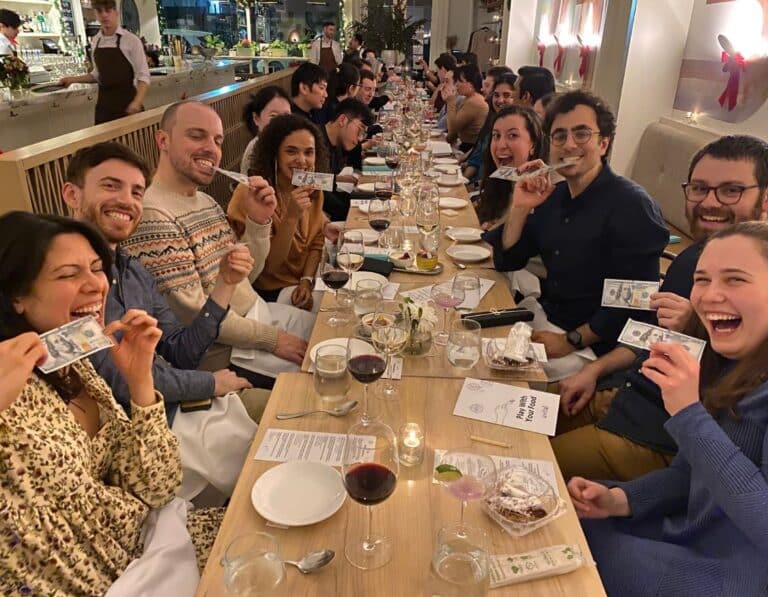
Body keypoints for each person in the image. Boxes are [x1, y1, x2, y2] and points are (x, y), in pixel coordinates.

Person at [0, 211, 220, 594]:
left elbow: (158, 487)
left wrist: (140, 381)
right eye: (68, 274)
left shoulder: (74, 364)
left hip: (146, 546)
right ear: (15, 296)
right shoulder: (8, 391)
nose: (96, 286)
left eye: (98, 268)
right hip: (99, 582)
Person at [569, 220, 768, 597]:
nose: (710, 296)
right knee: (564, 519)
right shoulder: (732, 364)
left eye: (735, 280)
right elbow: (689, 475)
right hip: (684, 534)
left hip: (734, 576)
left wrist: (689, 414)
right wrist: (618, 500)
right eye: (703, 279)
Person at [552, 135, 768, 481]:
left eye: (730, 190)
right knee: (508, 414)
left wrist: (695, 329)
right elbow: (647, 333)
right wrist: (593, 372)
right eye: (699, 188)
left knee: (521, 460)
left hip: (661, 438)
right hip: (624, 393)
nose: (709, 203)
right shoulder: (697, 256)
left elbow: (734, 409)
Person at [62, 141, 262, 503]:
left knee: (292, 418)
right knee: (276, 451)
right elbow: (119, 383)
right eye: (111, 186)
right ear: (72, 195)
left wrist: (224, 287)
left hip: (183, 408)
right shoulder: (65, 284)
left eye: (137, 191)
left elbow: (181, 351)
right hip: (142, 446)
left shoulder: (134, 270)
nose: (127, 200)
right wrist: (209, 382)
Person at [121, 101, 311, 389]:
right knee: (324, 373)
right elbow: (195, 315)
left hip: (258, 316)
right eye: (196, 136)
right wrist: (273, 340)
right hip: (225, 354)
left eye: (217, 140)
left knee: (336, 331)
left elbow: (247, 277)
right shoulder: (152, 214)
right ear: (163, 140)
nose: (211, 148)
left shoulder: (206, 202)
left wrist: (258, 223)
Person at [483, 90, 668, 382]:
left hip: (592, 346)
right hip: (546, 319)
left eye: (581, 134)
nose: (569, 144)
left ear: (603, 143)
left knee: (492, 381)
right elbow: (508, 259)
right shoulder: (554, 197)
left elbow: (632, 302)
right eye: (559, 136)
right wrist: (520, 207)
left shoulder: (631, 206)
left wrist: (570, 340)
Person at [229, 115, 328, 312]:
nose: (302, 160)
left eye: (309, 152)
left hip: (303, 282)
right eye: (291, 151)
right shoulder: (253, 194)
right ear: (274, 154)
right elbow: (267, 268)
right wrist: (291, 217)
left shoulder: (312, 187)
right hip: (267, 294)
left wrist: (307, 281)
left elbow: (317, 242)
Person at [59, 0, 149, 124]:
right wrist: (73, 79)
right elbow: (97, 74)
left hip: (129, 106)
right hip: (105, 108)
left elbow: (144, 76)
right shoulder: (96, 40)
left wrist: (137, 102)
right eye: (100, 11)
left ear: (116, 13)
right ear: (95, 14)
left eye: (108, 10)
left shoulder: (131, 41)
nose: (104, 15)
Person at [473, 105, 545, 228]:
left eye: (512, 136)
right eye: (496, 136)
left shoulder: (539, 193)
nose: (501, 145)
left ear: (533, 145)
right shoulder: (500, 183)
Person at [318, 98, 374, 222]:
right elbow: (317, 189)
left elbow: (327, 183)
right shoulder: (313, 143)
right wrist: (351, 213)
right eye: (360, 130)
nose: (360, 139)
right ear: (342, 120)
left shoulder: (336, 144)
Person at [463, 72, 521, 183]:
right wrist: (463, 182)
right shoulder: (492, 122)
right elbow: (476, 159)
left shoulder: (519, 132)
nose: (500, 100)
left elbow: (508, 175)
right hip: (478, 185)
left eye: (507, 95)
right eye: (496, 95)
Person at [240, 85, 292, 174]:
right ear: (256, 118)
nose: (281, 121)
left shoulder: (292, 141)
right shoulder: (255, 150)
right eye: (273, 116)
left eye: (286, 115)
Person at [443, 63, 489, 152]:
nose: (456, 85)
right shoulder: (468, 98)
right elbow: (453, 134)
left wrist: (450, 101)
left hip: (469, 149)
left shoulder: (474, 102)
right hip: (464, 146)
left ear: (471, 84)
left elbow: (452, 128)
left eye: (460, 81)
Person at [290, 61, 329, 126]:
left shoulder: (314, 112)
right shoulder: (292, 122)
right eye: (321, 88)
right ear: (304, 88)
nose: (326, 95)